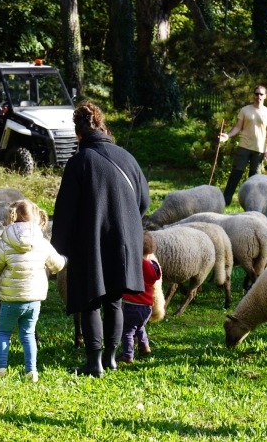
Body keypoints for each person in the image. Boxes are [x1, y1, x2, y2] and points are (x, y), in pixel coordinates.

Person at [51, 102, 151, 378]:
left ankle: (94, 363)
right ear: (104, 128)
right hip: (123, 243)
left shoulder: (79, 162)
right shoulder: (127, 158)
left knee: (90, 301)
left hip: (90, 242)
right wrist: (127, 225)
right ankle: (111, 358)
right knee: (114, 301)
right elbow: (144, 201)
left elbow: (66, 210)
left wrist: (59, 247)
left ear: (78, 136)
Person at [0, 200, 67, 382]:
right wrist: (64, 259)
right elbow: (58, 264)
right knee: (28, 334)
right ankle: (31, 371)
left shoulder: (6, 240)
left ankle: (0, 368)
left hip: (10, 298)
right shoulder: (42, 241)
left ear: (13, 216)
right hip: (34, 298)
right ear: (36, 217)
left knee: (3, 332)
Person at [219, 85, 267, 206]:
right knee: (236, 174)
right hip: (244, 147)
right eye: (256, 94)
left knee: (254, 180)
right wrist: (227, 136)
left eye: (261, 94)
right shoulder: (245, 110)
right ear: (253, 95)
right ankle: (225, 202)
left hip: (259, 150)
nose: (258, 96)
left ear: (265, 96)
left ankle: (252, 205)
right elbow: (238, 127)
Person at [116, 231, 161, 364]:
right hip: (147, 307)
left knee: (127, 331)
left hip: (133, 305)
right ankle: (144, 345)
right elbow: (157, 276)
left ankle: (128, 355)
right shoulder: (154, 266)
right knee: (139, 325)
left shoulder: (135, 264)